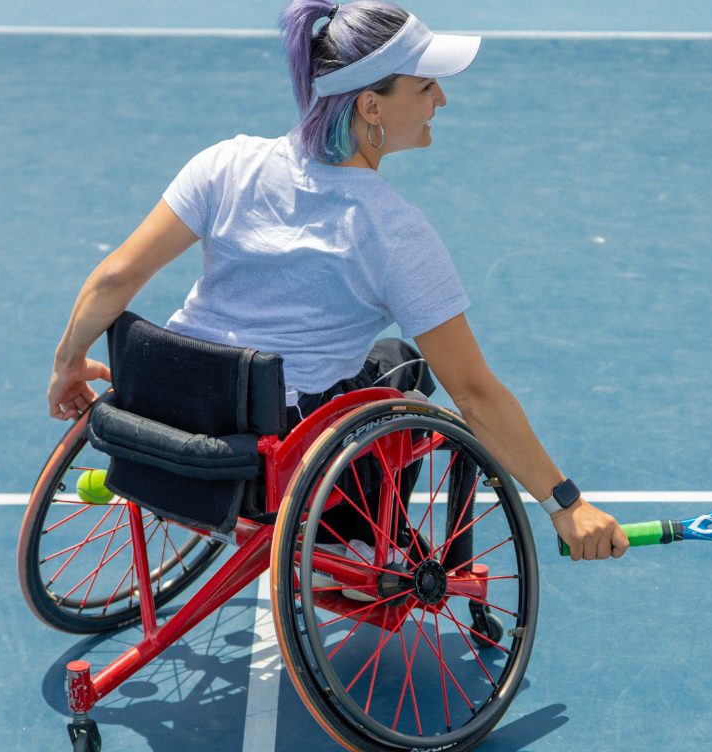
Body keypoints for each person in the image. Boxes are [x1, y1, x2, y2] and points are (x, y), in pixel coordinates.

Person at [47, 0, 629, 561]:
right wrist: (564, 504)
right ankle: (356, 536)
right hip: (275, 458)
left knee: (389, 355)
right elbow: (474, 394)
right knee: (405, 369)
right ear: (371, 107)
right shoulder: (393, 232)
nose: (442, 99)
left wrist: (68, 364)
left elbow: (115, 276)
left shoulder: (225, 162)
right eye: (425, 86)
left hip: (169, 415)